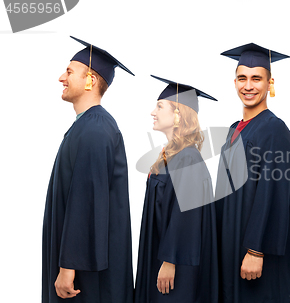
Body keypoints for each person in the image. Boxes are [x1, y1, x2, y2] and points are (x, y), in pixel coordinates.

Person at [42, 36, 135, 303]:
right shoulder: (88, 125)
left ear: (90, 80)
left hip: (84, 275)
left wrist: (68, 266)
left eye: (69, 72)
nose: (62, 77)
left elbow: (87, 201)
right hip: (79, 263)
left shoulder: (95, 129)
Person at [215, 43, 290, 302]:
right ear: (234, 82)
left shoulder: (275, 130)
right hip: (231, 240)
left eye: (257, 79)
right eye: (242, 78)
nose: (248, 86)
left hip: (255, 249)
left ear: (270, 83)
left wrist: (256, 250)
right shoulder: (235, 129)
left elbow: (275, 192)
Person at [134, 76, 218, 303]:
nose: (153, 112)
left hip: (176, 265)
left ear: (178, 114)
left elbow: (186, 215)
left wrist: (170, 260)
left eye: (160, 106)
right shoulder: (171, 155)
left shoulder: (188, 158)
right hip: (161, 255)